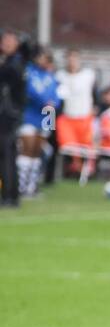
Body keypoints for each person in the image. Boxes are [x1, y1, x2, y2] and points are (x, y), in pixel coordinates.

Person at [18, 45, 57, 198]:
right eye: (43, 57)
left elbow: (56, 96)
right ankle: (20, 186)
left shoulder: (50, 76)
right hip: (30, 116)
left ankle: (32, 187)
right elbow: (32, 91)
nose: (45, 61)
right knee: (26, 149)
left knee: (38, 151)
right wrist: (45, 101)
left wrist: (52, 105)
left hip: (47, 116)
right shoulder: (29, 71)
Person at [0, 29, 25, 208]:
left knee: (7, 155)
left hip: (9, 117)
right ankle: (10, 194)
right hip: (12, 115)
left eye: (9, 42)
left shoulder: (15, 64)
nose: (5, 45)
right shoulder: (13, 63)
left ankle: (9, 196)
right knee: (8, 155)